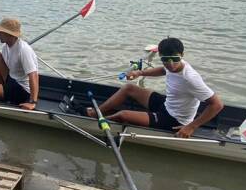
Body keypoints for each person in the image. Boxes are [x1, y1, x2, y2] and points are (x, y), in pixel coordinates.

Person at [86, 37, 223, 139]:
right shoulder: (172, 63)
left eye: (175, 59)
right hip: (167, 104)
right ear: (160, 56)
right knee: (128, 88)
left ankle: (96, 122)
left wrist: (191, 127)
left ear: (182, 55)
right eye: (166, 59)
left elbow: (217, 104)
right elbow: (163, 70)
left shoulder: (190, 78)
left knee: (123, 115)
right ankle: (96, 113)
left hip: (174, 120)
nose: (171, 64)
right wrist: (139, 72)